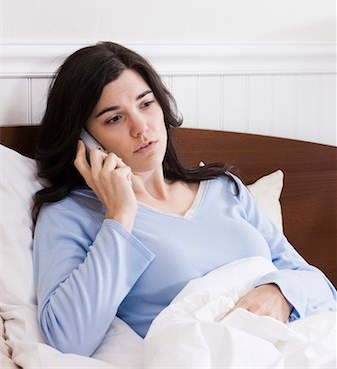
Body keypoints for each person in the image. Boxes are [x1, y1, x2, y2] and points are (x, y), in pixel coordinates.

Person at [32, 41, 336, 357]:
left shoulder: (223, 187)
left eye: (146, 104)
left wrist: (280, 293)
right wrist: (120, 216)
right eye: (114, 119)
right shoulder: (71, 214)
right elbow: (67, 338)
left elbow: (316, 284)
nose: (141, 127)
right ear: (84, 141)